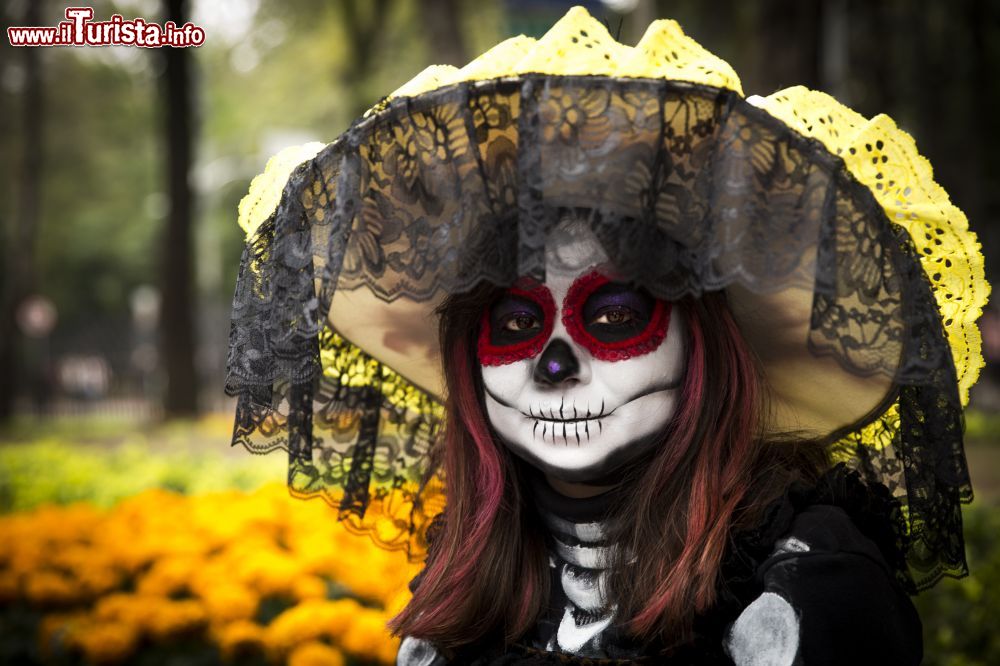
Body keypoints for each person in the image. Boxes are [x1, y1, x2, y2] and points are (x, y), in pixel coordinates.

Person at [225, 7, 989, 665]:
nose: (556, 363)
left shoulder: (804, 586)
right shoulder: (469, 590)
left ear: (706, 343)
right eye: (516, 324)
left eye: (616, 316)